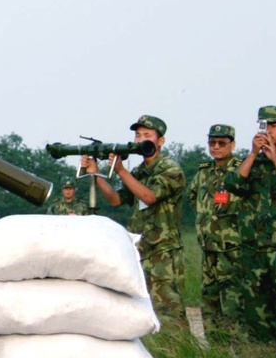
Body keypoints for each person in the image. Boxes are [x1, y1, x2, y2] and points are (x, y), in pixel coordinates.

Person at [81, 115, 186, 320]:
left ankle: (182, 350)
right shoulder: (139, 171)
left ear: (160, 141)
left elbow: (149, 196)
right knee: (141, 309)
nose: (140, 140)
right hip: (141, 248)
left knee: (168, 311)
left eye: (147, 135)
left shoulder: (170, 169)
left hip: (163, 251)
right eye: (138, 135)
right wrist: (96, 174)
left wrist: (120, 170)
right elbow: (116, 200)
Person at [224, 106, 276, 345]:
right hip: (254, 251)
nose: (269, 130)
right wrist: (252, 154)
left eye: (274, 125)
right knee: (256, 318)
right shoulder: (251, 161)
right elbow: (233, 185)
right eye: (264, 125)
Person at [186, 124, 244, 332]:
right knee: (209, 302)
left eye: (222, 143)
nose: (216, 147)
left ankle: (238, 350)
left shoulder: (240, 169)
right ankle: (215, 350)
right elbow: (192, 196)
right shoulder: (203, 172)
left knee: (233, 303)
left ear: (232, 144)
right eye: (212, 142)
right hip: (208, 247)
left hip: (232, 250)